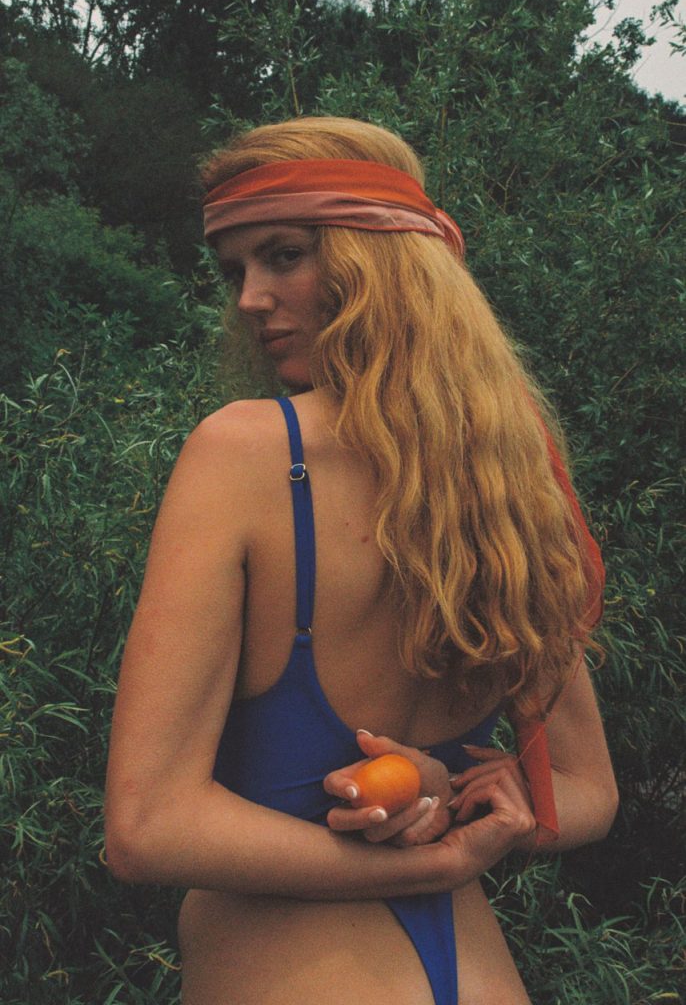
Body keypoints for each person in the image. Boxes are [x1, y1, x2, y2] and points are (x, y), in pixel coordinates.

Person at [104, 116, 618, 1005]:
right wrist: (472, 806)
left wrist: (426, 861)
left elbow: (146, 827)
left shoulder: (247, 452)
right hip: (481, 973)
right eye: (235, 271)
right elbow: (587, 792)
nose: (250, 300)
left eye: (284, 255)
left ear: (377, 263)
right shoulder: (511, 483)